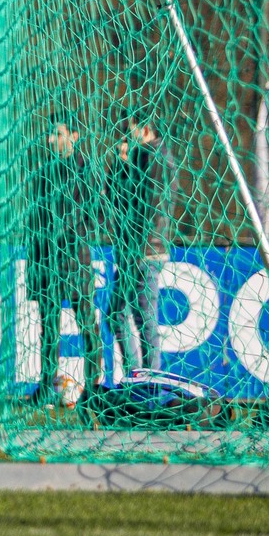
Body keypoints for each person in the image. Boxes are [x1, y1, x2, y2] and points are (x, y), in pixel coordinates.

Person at [26, 119, 102, 406]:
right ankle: (47, 385)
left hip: (75, 259)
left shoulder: (86, 171)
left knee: (86, 323)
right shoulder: (43, 174)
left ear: (74, 136)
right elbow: (35, 221)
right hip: (47, 261)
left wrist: (65, 232)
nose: (50, 140)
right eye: (49, 134)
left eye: (57, 134)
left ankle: (94, 388)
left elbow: (91, 215)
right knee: (48, 327)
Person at [105, 119, 173, 374]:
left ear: (144, 129)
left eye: (129, 132)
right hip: (132, 251)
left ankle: (150, 376)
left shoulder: (155, 157)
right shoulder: (139, 159)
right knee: (117, 314)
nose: (125, 139)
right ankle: (137, 372)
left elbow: (152, 208)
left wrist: (140, 249)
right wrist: (119, 169)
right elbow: (116, 202)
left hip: (145, 252)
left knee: (144, 318)